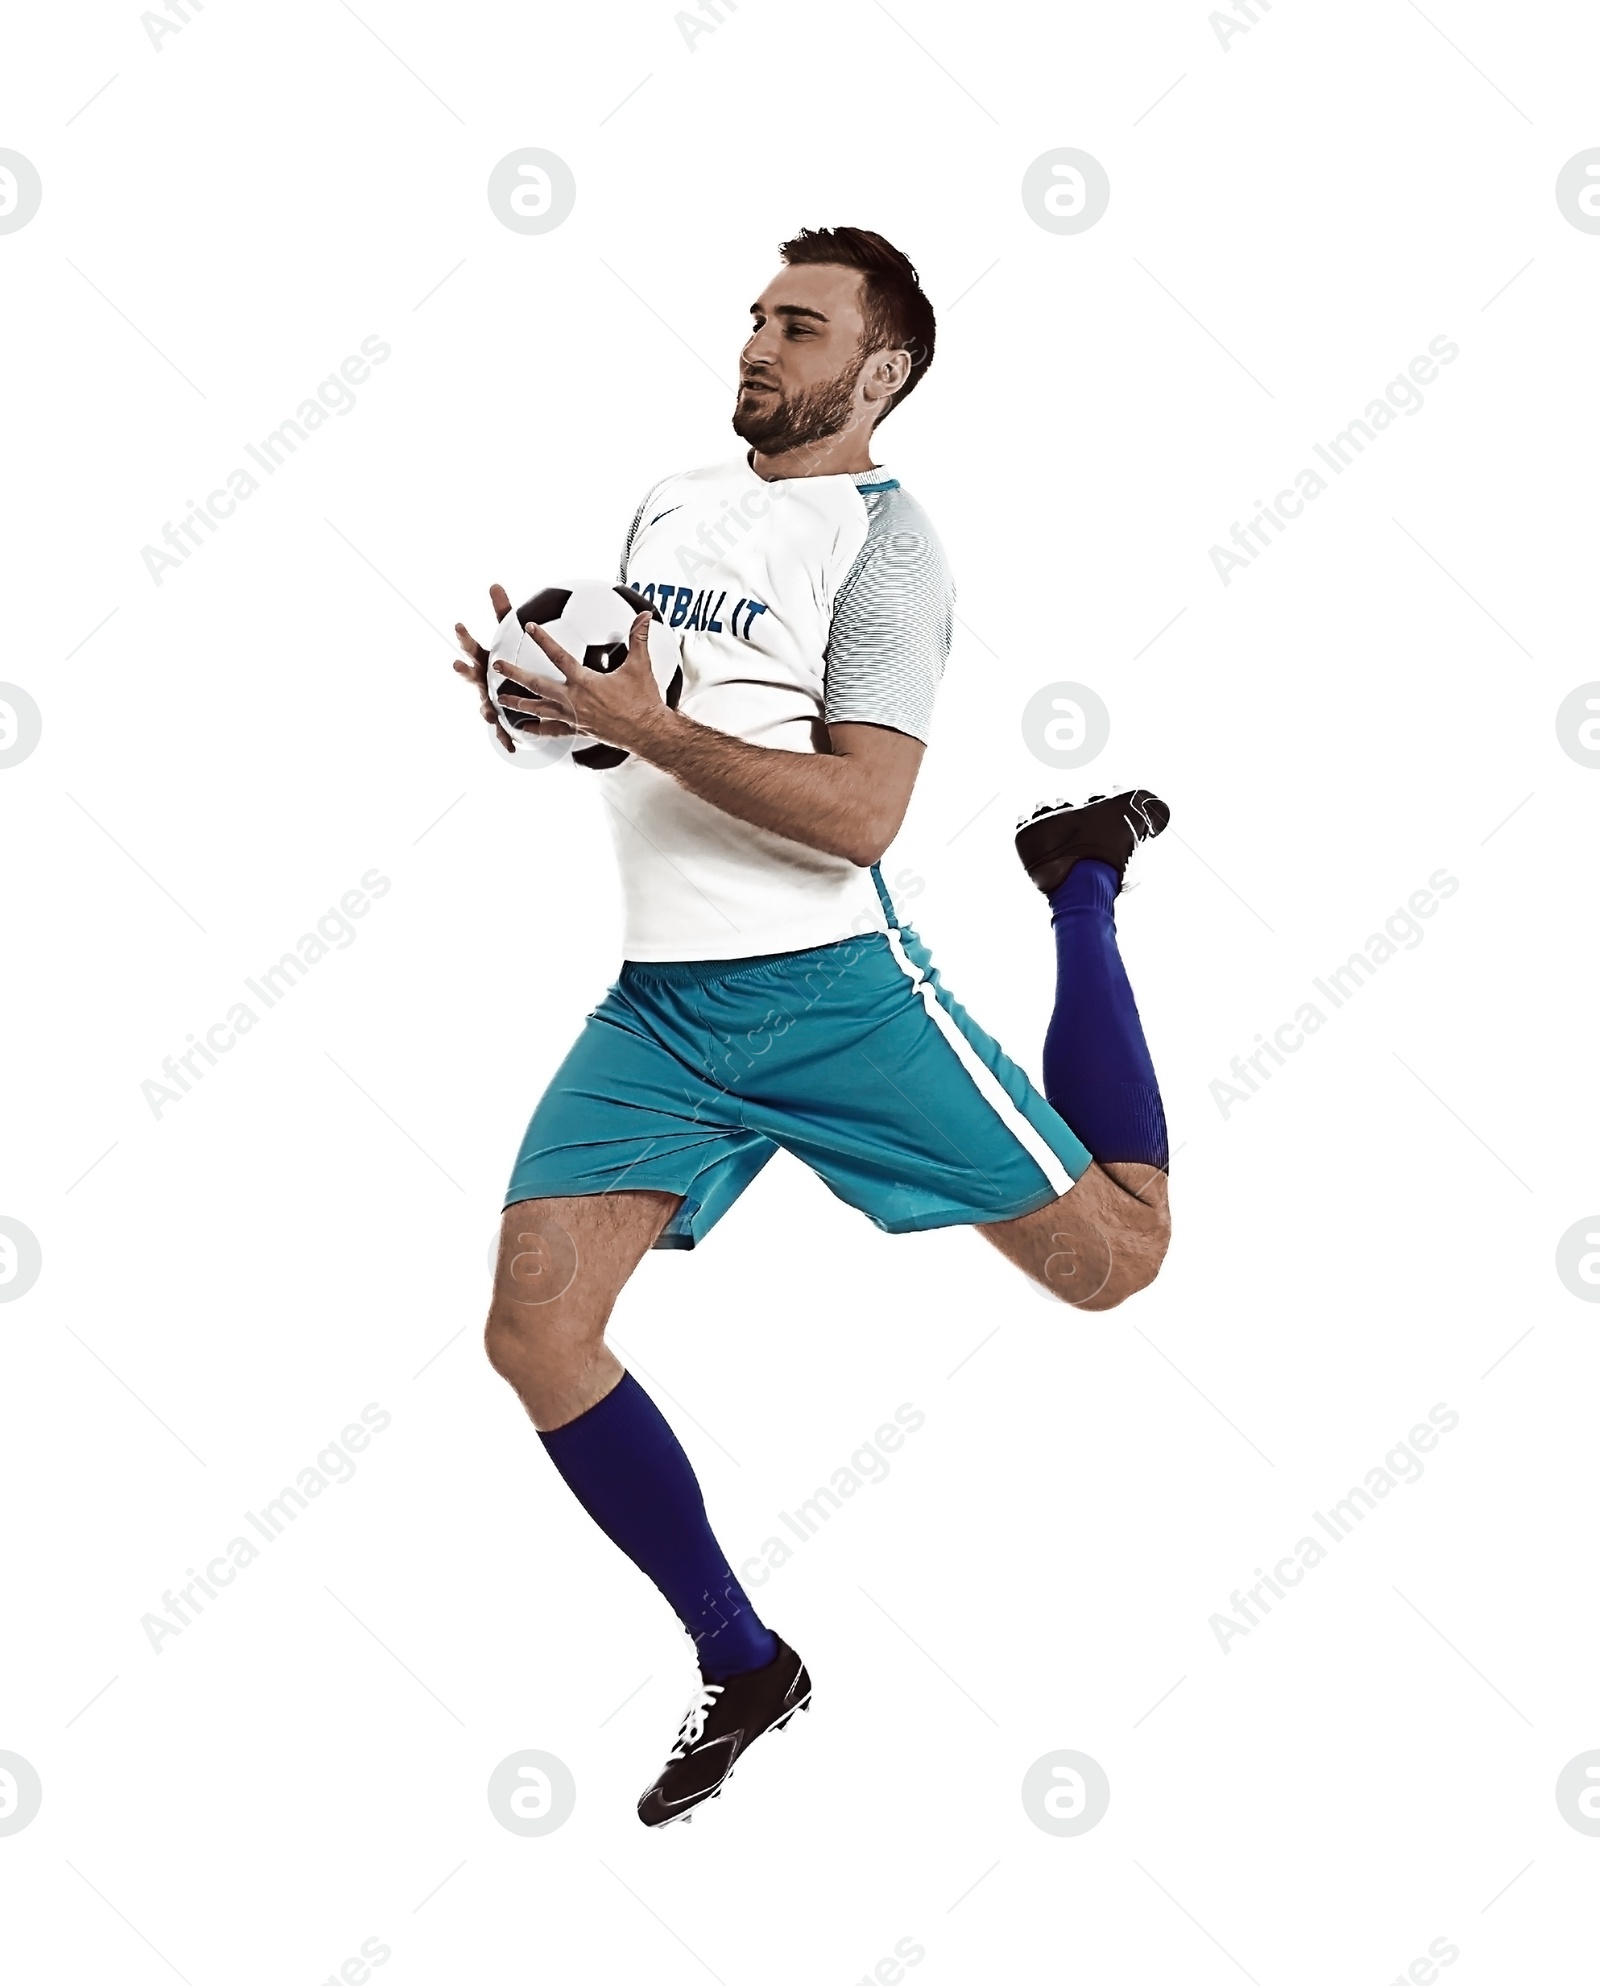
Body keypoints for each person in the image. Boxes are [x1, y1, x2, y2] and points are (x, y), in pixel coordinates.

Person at [453, 226, 1171, 1829]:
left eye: (800, 326)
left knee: (1118, 1264)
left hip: (834, 996)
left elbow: (860, 809)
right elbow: (638, 717)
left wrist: (640, 720)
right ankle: (745, 1657)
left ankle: (1081, 883)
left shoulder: (890, 549)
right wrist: (544, 704)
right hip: (661, 1015)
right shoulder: (669, 501)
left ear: (883, 370)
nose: (758, 348)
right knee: (534, 1328)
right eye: (756, 318)